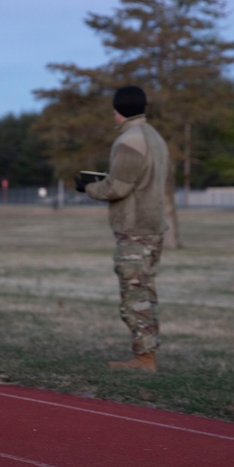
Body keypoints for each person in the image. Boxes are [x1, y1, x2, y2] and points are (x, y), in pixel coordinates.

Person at [76, 85, 170, 373]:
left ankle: (144, 359)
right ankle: (147, 353)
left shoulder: (130, 140)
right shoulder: (155, 137)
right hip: (153, 226)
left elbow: (117, 187)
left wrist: (89, 187)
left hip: (135, 229)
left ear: (118, 110)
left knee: (134, 296)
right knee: (145, 292)